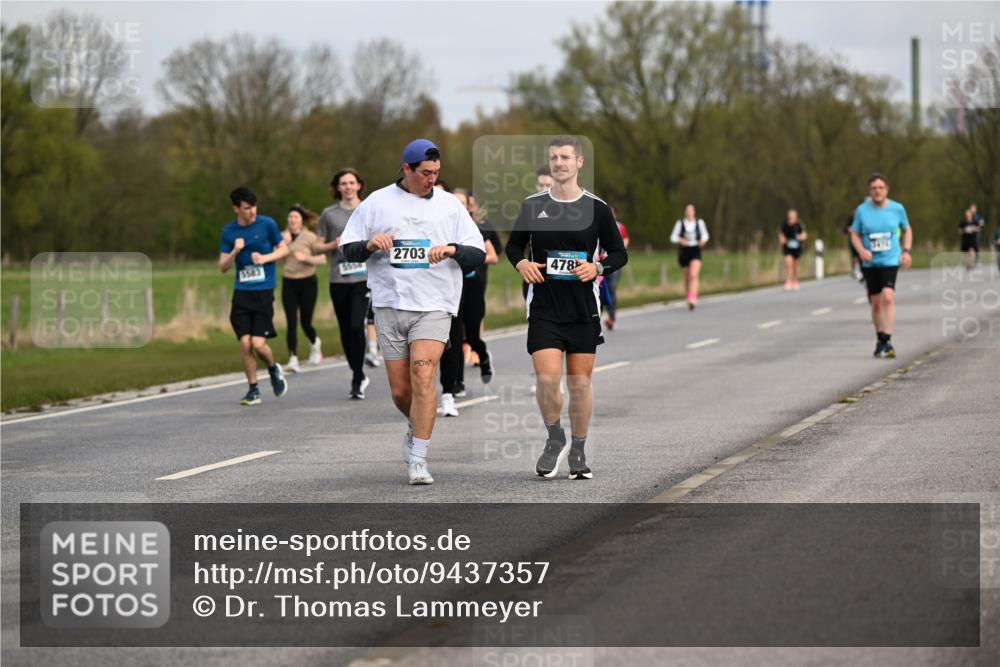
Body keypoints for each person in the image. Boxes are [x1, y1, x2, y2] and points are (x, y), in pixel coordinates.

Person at [340, 139, 486, 485]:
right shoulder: (376, 202)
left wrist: (452, 249)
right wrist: (369, 245)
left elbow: (477, 252)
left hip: (435, 305)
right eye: (424, 173)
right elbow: (347, 249)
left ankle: (418, 457)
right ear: (406, 169)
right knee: (402, 393)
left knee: (423, 377)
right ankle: (416, 426)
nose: (431, 179)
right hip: (390, 304)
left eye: (436, 173)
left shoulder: (450, 206)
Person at [507, 135, 628, 480]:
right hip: (544, 305)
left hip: (582, 309)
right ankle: (554, 436)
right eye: (554, 158)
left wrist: (598, 268)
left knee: (579, 384)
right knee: (546, 380)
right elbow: (514, 247)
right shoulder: (533, 205)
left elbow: (619, 253)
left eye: (565, 157)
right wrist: (521, 265)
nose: (559, 163)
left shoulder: (597, 209)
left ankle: (578, 447)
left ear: (579, 162)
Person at [218, 186, 289, 405]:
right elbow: (222, 267)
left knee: (258, 345)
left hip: (263, 292)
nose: (252, 212)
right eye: (247, 208)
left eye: (254, 207)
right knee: (245, 344)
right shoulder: (228, 232)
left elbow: (284, 249)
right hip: (242, 293)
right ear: (236, 209)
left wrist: (266, 258)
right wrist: (235, 252)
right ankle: (253, 389)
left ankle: (273, 368)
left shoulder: (267, 224)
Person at [317, 168, 372, 398]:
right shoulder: (329, 214)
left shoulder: (369, 209)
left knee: (355, 325)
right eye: (343, 183)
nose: (348, 187)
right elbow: (317, 246)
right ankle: (357, 371)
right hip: (339, 278)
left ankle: (358, 375)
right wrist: (332, 245)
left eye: (352, 183)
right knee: (344, 330)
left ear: (359, 185)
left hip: (363, 277)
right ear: (338, 188)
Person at [850, 173, 912, 359]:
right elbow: (854, 234)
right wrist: (861, 251)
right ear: (870, 191)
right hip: (870, 262)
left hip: (890, 259)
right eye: (874, 188)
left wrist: (906, 251)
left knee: (888, 296)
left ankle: (887, 338)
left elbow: (907, 228)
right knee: (876, 303)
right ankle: (880, 340)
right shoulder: (862, 210)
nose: (877, 191)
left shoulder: (897, 208)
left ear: (887, 189)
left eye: (880, 188)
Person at [280, 205, 326, 372]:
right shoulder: (282, 237)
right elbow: (274, 256)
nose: (292, 220)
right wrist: (282, 246)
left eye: (296, 217)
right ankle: (293, 358)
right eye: (290, 217)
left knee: (305, 322)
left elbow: (322, 260)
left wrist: (305, 258)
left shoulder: (310, 237)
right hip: (289, 282)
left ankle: (315, 343)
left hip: (308, 283)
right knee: (291, 323)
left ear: (301, 220)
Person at [670, 204, 709, 310]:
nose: (689, 212)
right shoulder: (680, 223)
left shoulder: (699, 223)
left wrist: (703, 241)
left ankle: (693, 298)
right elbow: (673, 237)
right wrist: (680, 240)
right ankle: (688, 296)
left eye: (691, 210)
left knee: (693, 274)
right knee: (687, 277)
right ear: (685, 212)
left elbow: (705, 235)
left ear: (694, 212)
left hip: (695, 249)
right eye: (687, 210)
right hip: (684, 251)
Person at [601, 206, 629, 330]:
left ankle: (611, 318)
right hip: (599, 263)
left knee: (611, 288)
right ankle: (597, 318)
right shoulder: (598, 225)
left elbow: (625, 240)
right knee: (600, 289)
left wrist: (615, 252)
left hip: (613, 262)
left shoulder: (619, 227)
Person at [779, 209, 808, 291]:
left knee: (796, 265)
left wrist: (800, 237)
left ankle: (795, 280)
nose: (791, 217)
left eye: (793, 215)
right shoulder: (784, 225)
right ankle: (788, 281)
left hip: (797, 247)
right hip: (787, 247)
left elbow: (805, 235)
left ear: (796, 216)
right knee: (789, 263)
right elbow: (781, 234)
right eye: (790, 215)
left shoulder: (800, 225)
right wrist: (783, 240)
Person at [959, 205, 981, 270]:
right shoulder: (963, 222)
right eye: (967, 213)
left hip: (972, 238)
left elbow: (979, 229)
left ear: (971, 214)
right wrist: (965, 230)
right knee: (966, 253)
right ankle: (968, 264)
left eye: (969, 213)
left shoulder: (974, 221)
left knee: (972, 251)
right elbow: (960, 231)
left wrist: (974, 229)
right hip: (965, 239)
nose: (968, 214)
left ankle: (972, 263)